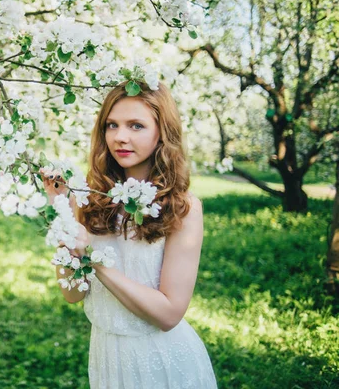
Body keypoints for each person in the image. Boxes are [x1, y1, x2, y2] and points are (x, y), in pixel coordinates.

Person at [41, 81, 217, 388]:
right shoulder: (89, 199)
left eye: (136, 125)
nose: (120, 137)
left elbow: (168, 314)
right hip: (107, 356)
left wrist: (94, 260)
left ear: (162, 132)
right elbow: (72, 294)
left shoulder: (182, 208)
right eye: (112, 125)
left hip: (162, 360)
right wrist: (62, 212)